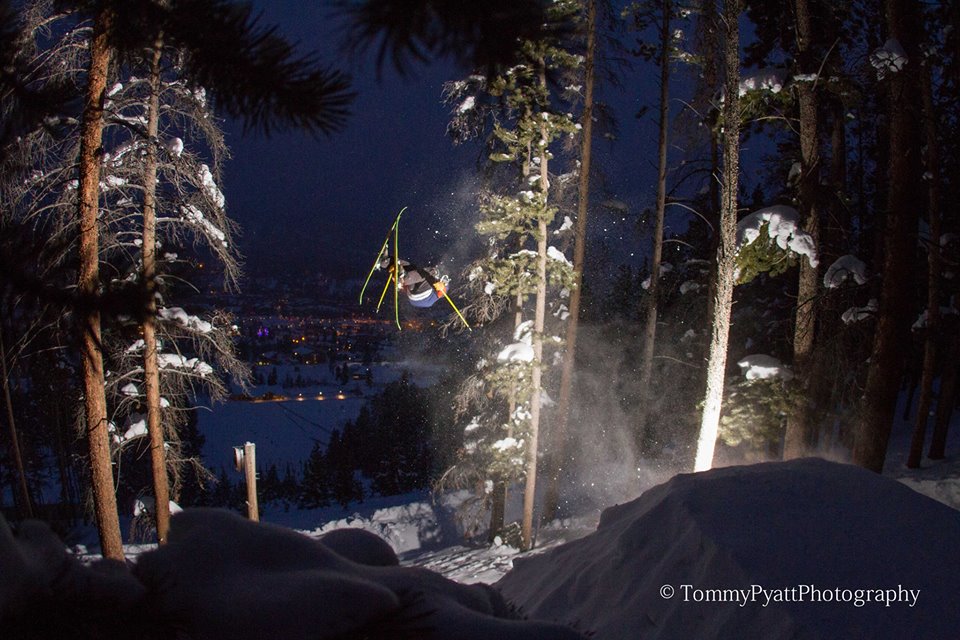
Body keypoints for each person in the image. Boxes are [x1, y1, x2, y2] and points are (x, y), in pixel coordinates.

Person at [378, 256, 448, 308]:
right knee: (413, 268)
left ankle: (403, 277)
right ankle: (386, 262)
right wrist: (401, 284)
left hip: (423, 297)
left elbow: (442, 293)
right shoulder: (432, 281)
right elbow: (409, 286)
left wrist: (442, 287)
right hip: (413, 297)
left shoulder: (443, 282)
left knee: (431, 272)